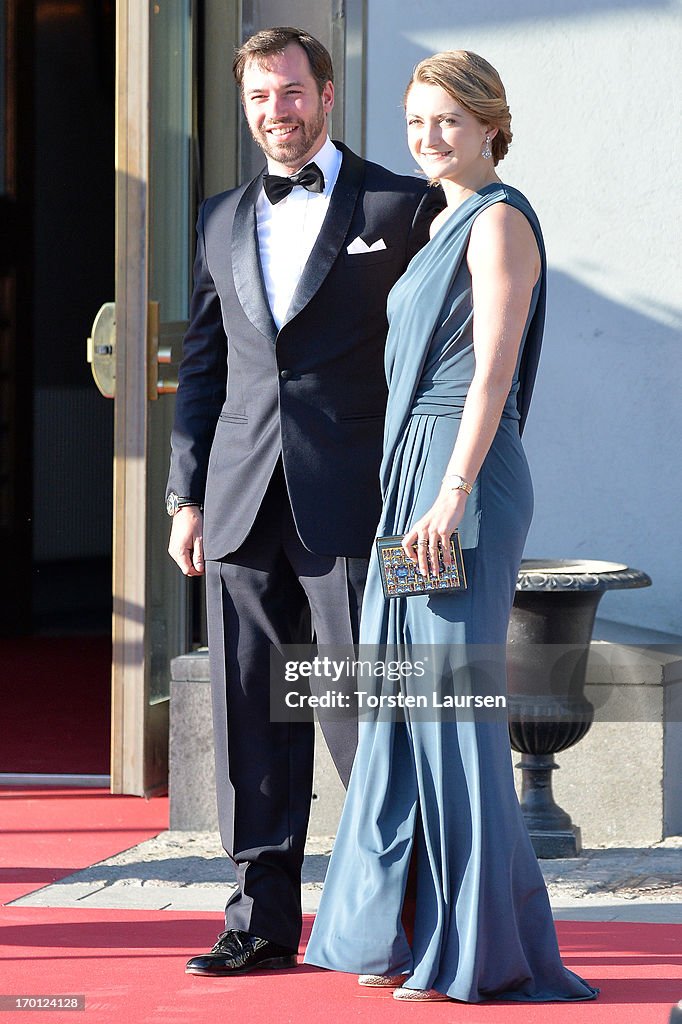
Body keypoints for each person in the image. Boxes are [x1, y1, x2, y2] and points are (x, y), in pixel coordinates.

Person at [304, 50, 599, 1004]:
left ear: (489, 127)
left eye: (447, 121)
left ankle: (475, 949)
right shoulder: (440, 220)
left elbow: (493, 372)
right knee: (405, 707)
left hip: (458, 482)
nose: (427, 137)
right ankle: (409, 929)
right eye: (416, 120)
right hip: (415, 475)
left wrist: (452, 492)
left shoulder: (501, 218)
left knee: (450, 713)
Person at [166, 27, 434, 977]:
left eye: (289, 93)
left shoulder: (401, 208)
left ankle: (395, 923)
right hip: (240, 501)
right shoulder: (215, 217)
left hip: (358, 505)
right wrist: (183, 496)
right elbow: (205, 368)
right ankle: (260, 922)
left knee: (366, 716)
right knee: (251, 718)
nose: (274, 113)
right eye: (257, 99)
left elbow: (447, 355)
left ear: (325, 95)